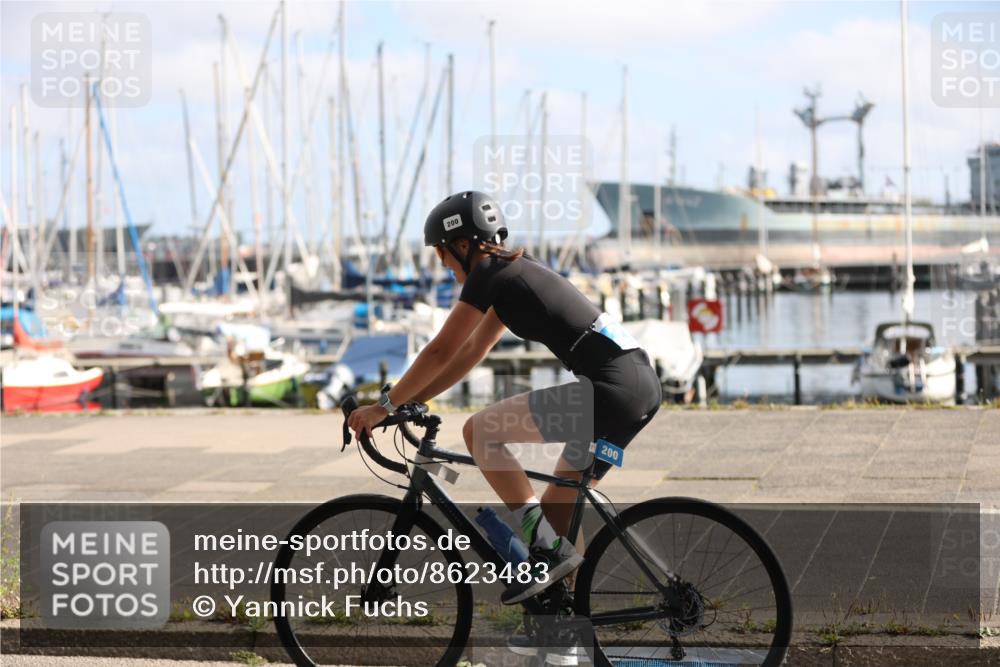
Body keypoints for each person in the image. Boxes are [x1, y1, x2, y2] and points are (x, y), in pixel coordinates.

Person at [347, 190, 662, 659]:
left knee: (481, 431)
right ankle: (563, 644)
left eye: (441, 252)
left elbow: (439, 348)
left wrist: (386, 404)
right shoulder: (512, 273)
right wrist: (412, 402)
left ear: (463, 244)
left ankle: (546, 554)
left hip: (611, 389)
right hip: (637, 388)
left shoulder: (490, 273)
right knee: (558, 520)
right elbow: (469, 353)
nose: (442, 264)